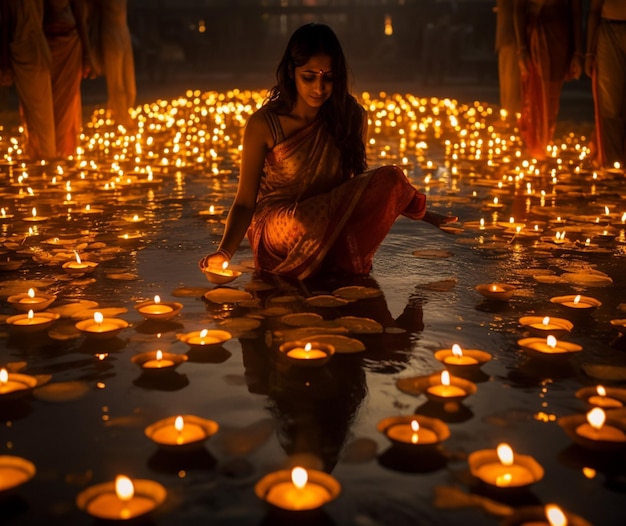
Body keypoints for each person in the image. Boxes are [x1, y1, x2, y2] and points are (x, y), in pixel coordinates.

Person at [199, 23, 457, 281]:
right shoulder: (264, 124)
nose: (319, 88)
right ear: (291, 72)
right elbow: (245, 202)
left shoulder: (351, 116)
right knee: (303, 220)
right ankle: (327, 252)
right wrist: (224, 252)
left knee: (389, 177)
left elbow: (353, 189)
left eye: (328, 78)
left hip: (329, 218)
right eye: (309, 77)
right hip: (282, 226)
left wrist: (416, 209)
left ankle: (331, 254)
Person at [514, 0, 583, 160]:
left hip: (558, 33)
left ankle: (544, 142)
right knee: (531, 93)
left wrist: (578, 52)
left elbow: (576, 9)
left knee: (550, 97)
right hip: (533, 34)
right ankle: (534, 146)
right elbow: (518, 7)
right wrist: (522, 48)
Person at [0, 0, 56, 161]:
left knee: (38, 111)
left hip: (29, 48)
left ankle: (43, 154)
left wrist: (4, 65)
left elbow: (5, 26)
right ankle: (40, 152)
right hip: (33, 47)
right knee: (36, 111)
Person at [42, 0, 94, 158]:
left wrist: (87, 53)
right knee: (47, 102)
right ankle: (49, 150)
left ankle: (64, 151)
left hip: (69, 45)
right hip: (46, 47)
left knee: (67, 100)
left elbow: (80, 18)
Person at [585, 0, 626, 169]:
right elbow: (594, 10)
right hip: (609, 30)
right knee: (611, 103)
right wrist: (588, 53)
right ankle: (613, 162)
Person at [89, 0, 136, 128]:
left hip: (124, 32)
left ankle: (124, 114)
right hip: (110, 34)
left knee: (131, 88)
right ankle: (121, 119)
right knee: (116, 84)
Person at [495, 0, 522, 116]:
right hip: (504, 38)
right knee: (506, 78)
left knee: (512, 79)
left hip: (512, 38)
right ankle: (507, 111)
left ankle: (512, 113)